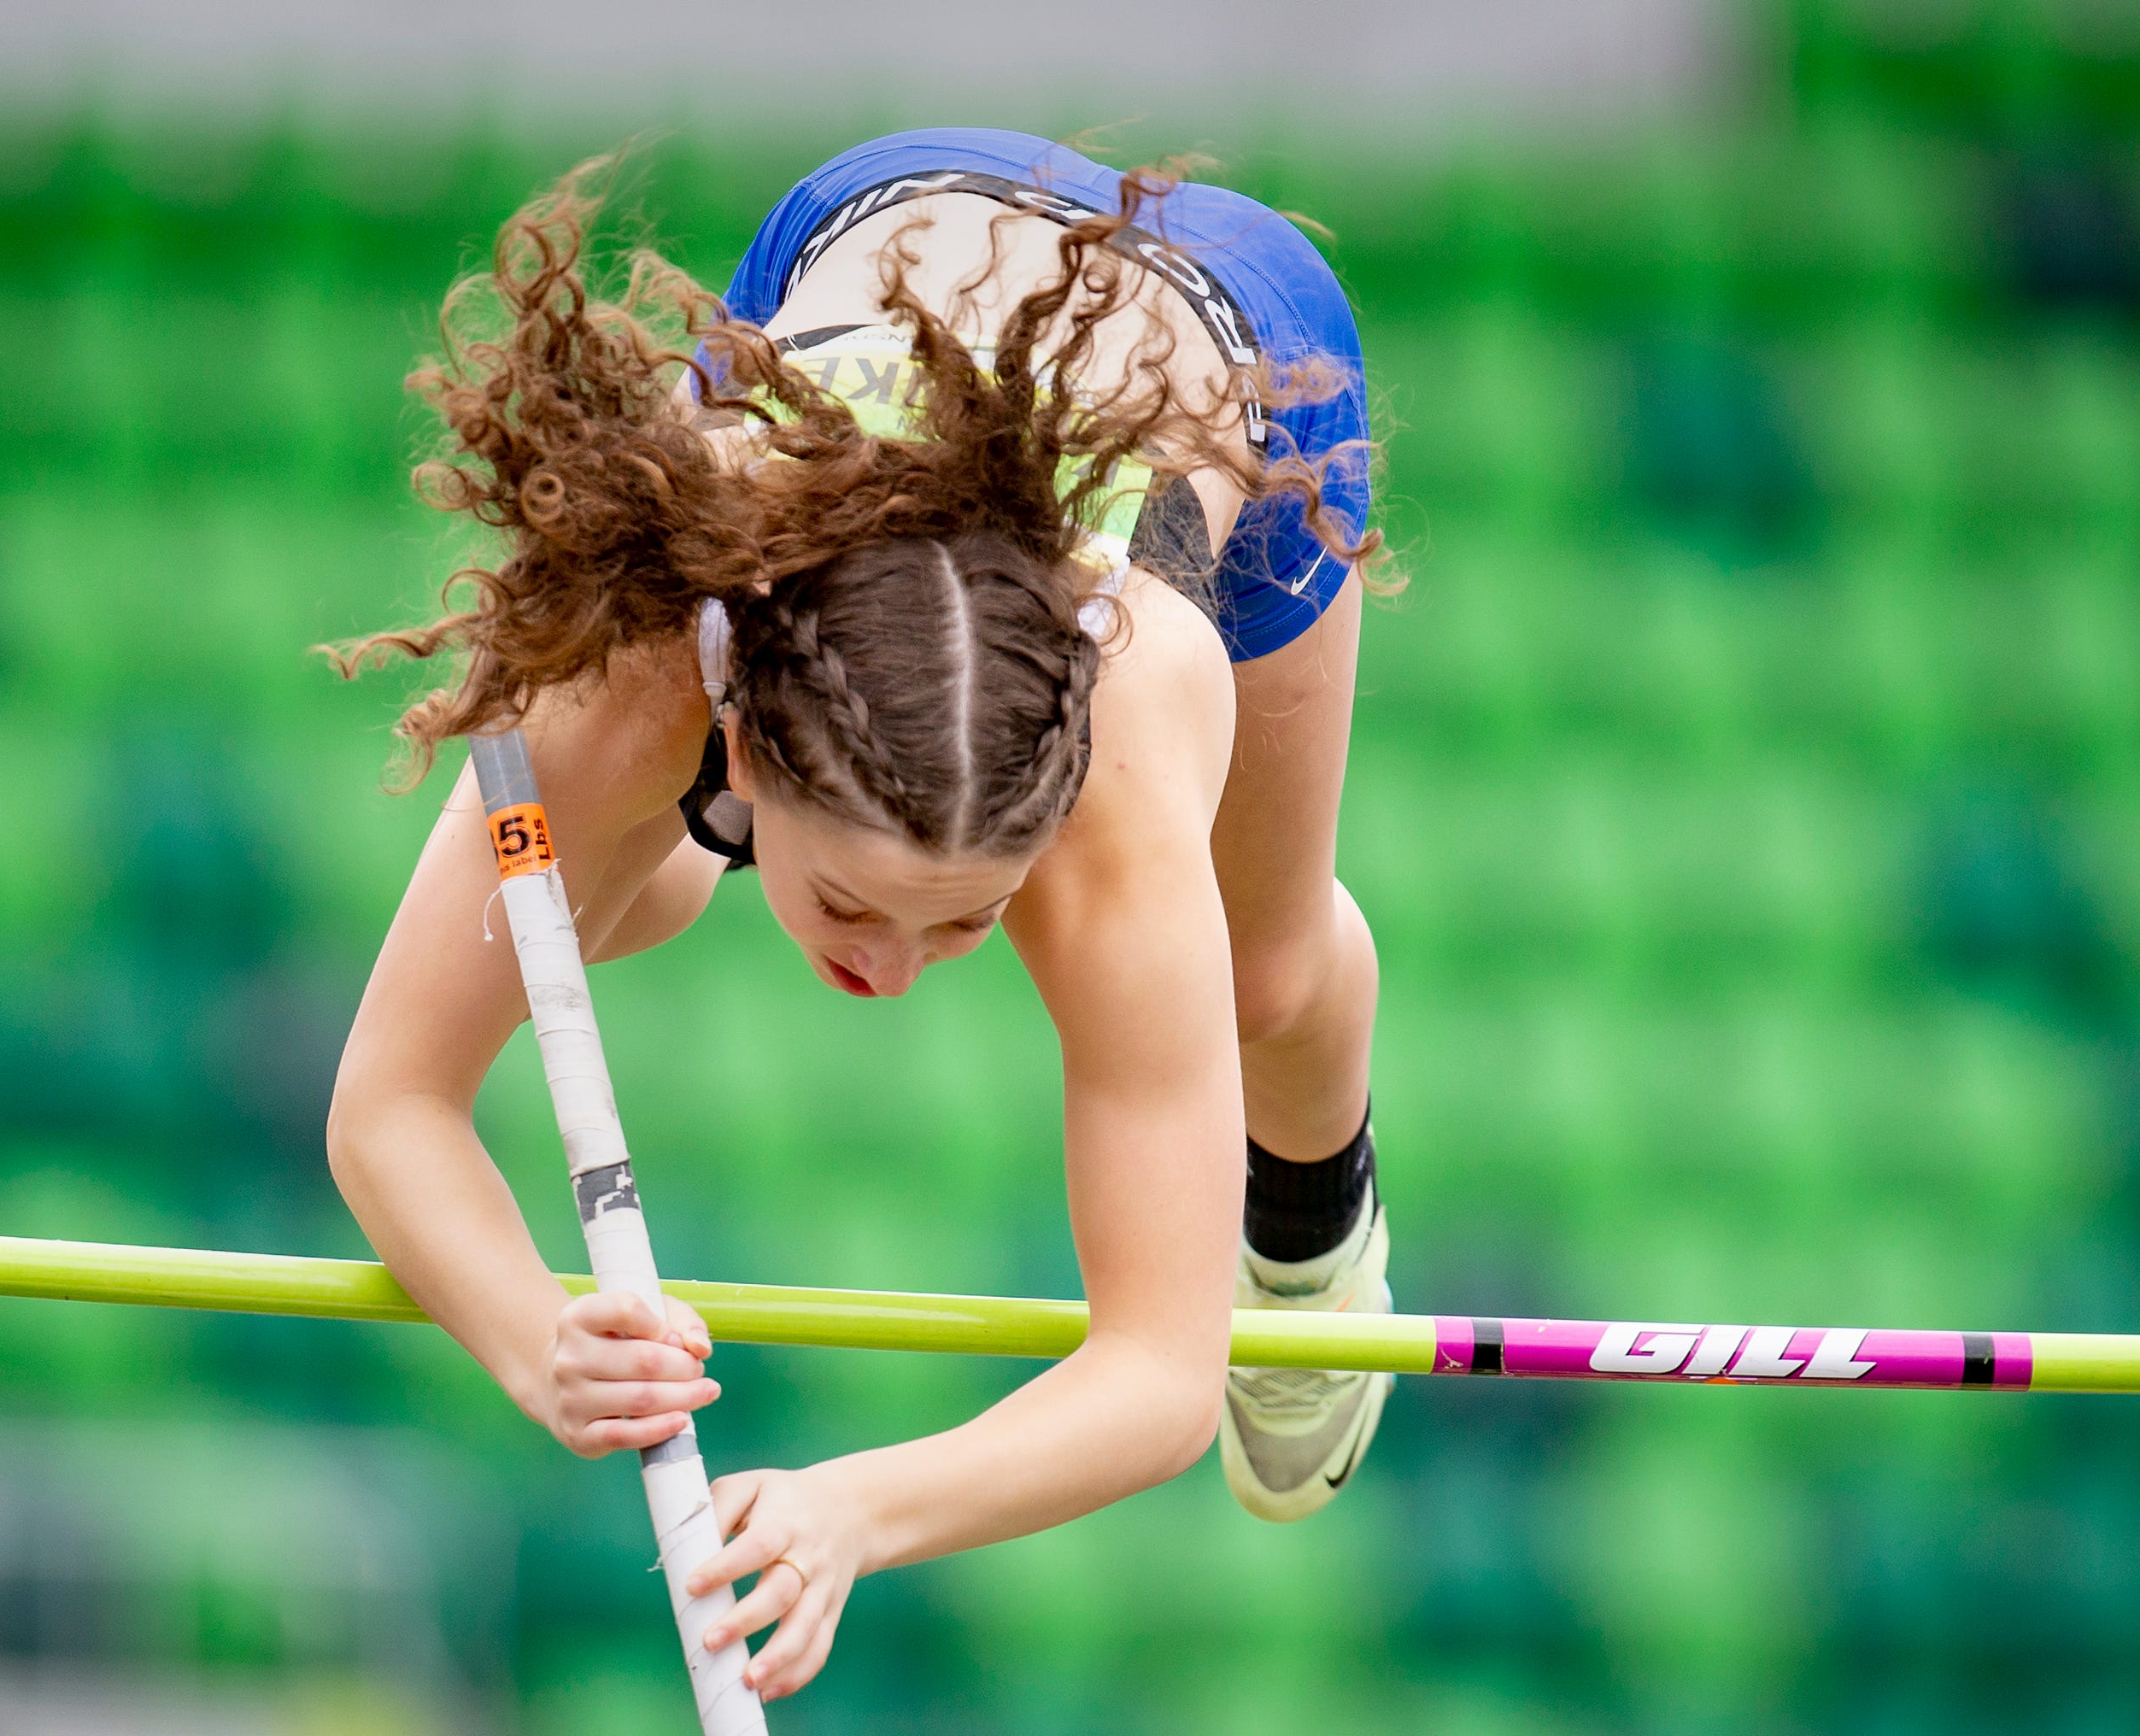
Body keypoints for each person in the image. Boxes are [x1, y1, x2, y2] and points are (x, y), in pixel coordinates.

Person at [325, 127, 1391, 1705]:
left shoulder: (1134, 736)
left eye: (967, 922)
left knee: (1255, 981)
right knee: (571, 892)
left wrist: (853, 1512)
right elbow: (390, 1106)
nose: (889, 979)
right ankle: (699, 846)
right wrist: (524, 1336)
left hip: (1234, 336)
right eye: (849, 903)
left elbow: (1162, 1376)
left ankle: (1316, 1233)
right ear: (742, 735)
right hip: (873, 216)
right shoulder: (626, 684)